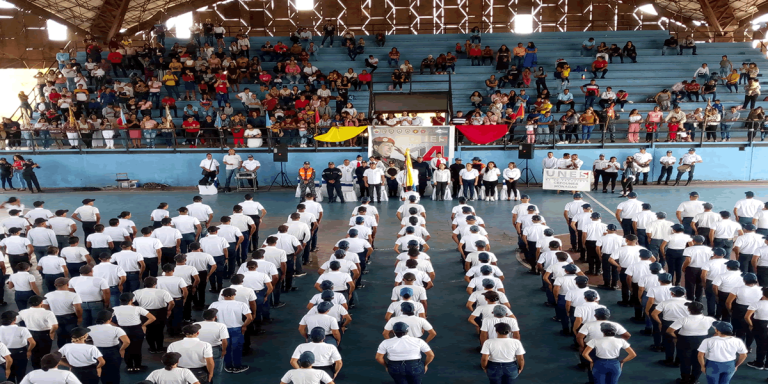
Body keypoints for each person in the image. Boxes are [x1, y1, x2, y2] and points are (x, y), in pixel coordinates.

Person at [209, 287, 253, 373]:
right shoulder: (241, 304)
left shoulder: (214, 304)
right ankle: (237, 366)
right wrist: (244, 326)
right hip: (237, 329)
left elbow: (210, 316)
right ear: (234, 295)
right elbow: (249, 318)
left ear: (222, 295)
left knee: (225, 347)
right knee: (237, 348)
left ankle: (228, 366)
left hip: (222, 329)